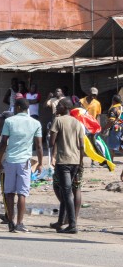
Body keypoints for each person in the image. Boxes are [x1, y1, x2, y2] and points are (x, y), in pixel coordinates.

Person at [0, 96, 44, 233]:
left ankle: (11, 222)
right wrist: (40, 163)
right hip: (24, 163)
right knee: (22, 193)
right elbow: (39, 146)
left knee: (9, 192)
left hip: (9, 162)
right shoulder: (35, 123)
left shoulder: (9, 121)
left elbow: (3, 143)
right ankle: (20, 223)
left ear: (18, 108)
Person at [49, 98, 86, 234]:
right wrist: (80, 161)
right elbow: (82, 145)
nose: (57, 107)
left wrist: (53, 135)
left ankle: (72, 224)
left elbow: (51, 142)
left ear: (64, 107)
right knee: (66, 190)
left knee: (66, 192)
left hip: (63, 161)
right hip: (76, 161)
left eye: (58, 105)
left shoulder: (58, 120)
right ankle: (60, 222)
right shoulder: (77, 123)